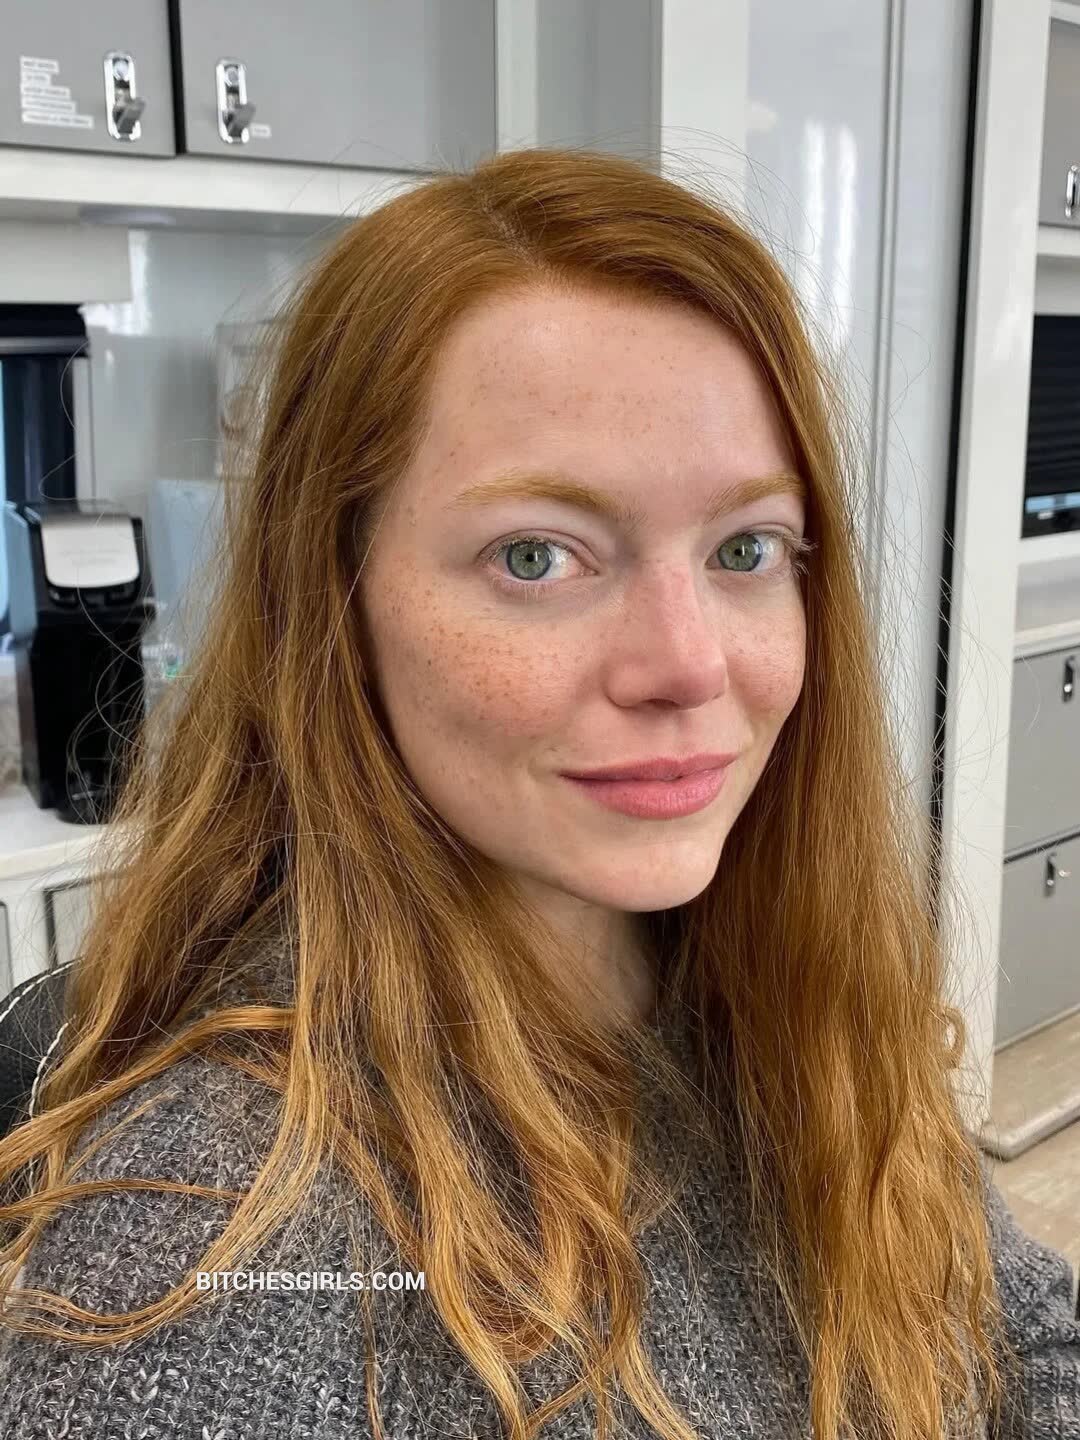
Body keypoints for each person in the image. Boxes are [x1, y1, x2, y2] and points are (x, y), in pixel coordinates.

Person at [0, 145, 1076, 1440]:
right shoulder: (210, 1252)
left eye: (745, 547)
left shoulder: (777, 988)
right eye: (537, 557)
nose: (689, 665)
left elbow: (1013, 1324)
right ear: (334, 604)